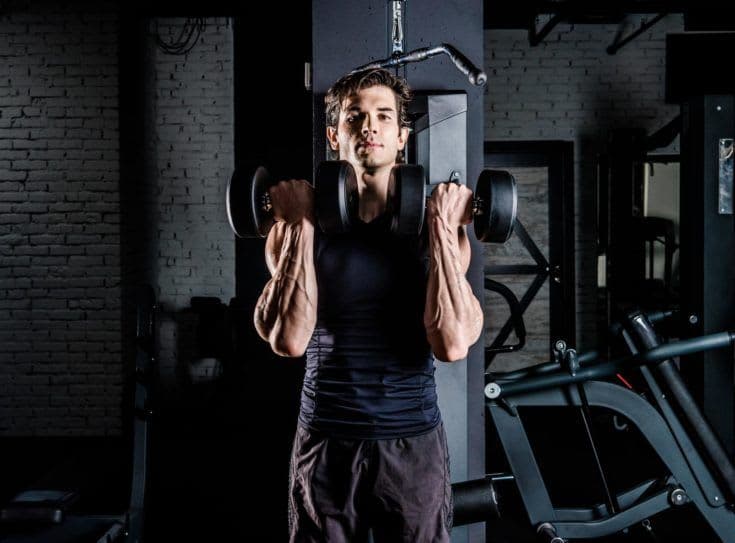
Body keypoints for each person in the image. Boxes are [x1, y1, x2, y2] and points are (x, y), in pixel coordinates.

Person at [254, 68, 484, 542]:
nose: (369, 127)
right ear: (334, 135)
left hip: (413, 442)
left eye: (383, 116)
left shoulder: (437, 230)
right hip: (325, 441)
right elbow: (288, 341)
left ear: (402, 136)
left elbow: (454, 344)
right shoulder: (296, 228)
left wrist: (441, 226)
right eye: (355, 117)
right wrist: (299, 226)